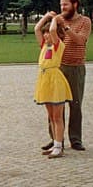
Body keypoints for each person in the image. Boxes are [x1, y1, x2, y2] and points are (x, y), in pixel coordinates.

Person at [41, 0, 93, 151]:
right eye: (61, 5)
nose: (62, 8)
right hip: (59, 67)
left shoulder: (85, 21)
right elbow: (46, 37)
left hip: (76, 67)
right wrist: (51, 21)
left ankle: (76, 139)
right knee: (55, 104)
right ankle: (56, 139)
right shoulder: (57, 21)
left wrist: (65, 26)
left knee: (75, 104)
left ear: (75, 5)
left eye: (66, 5)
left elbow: (80, 40)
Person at [34, 11, 72, 158]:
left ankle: (58, 145)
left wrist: (55, 19)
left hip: (55, 80)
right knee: (51, 116)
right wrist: (46, 17)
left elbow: (52, 30)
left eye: (48, 34)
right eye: (45, 34)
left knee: (57, 116)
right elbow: (37, 28)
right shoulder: (44, 45)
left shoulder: (58, 45)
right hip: (45, 80)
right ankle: (56, 143)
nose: (46, 35)